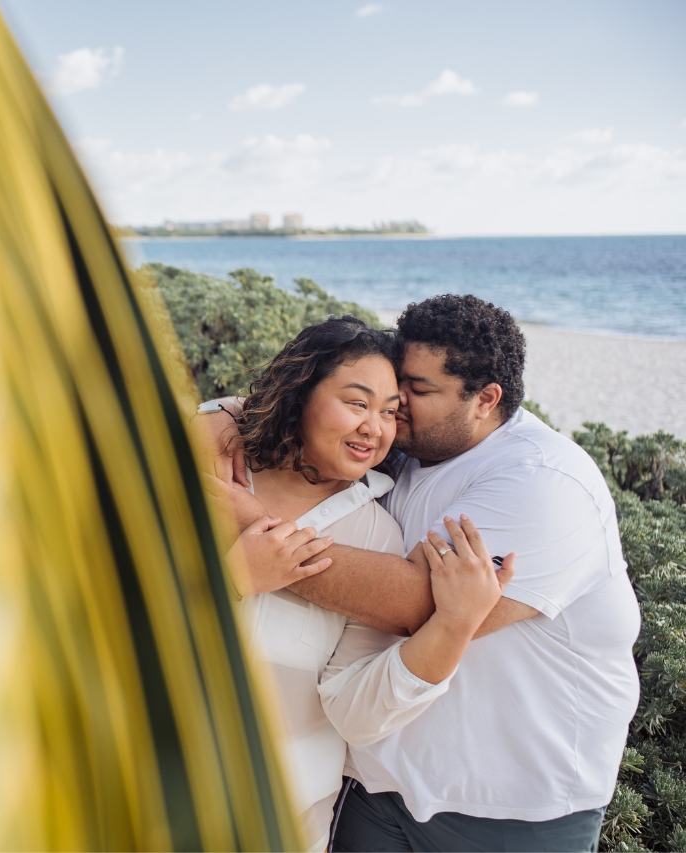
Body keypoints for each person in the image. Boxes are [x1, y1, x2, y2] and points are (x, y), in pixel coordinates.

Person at [198, 295, 640, 852]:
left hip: (509, 810)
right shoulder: (409, 450)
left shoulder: (542, 481)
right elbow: (326, 400)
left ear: (485, 400)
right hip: (374, 787)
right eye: (393, 393)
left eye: (415, 393)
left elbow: (417, 605)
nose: (395, 411)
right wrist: (220, 419)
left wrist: (245, 526)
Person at [200, 315, 513, 851]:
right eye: (356, 402)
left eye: (391, 412)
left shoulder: (377, 536)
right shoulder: (203, 473)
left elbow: (357, 712)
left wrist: (456, 625)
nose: (376, 427)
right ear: (300, 394)